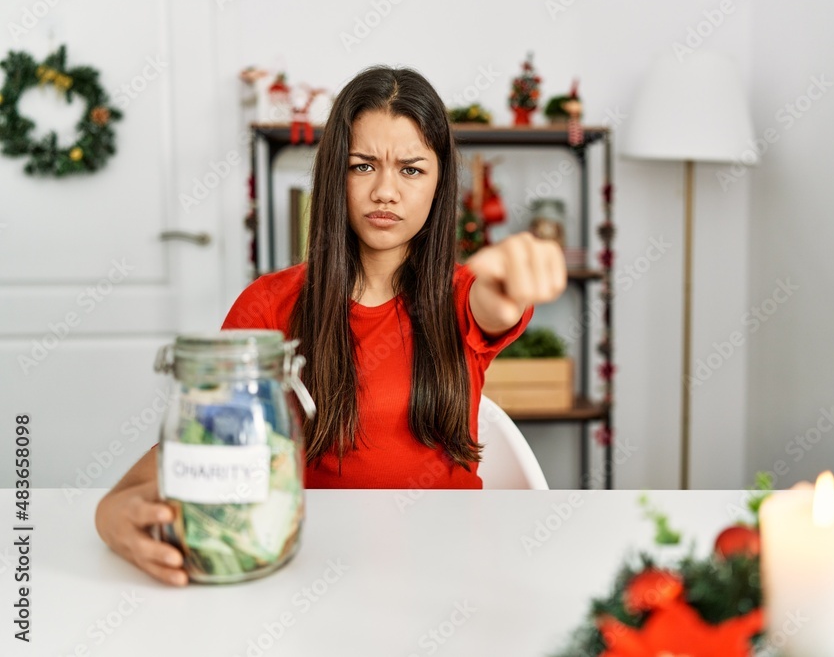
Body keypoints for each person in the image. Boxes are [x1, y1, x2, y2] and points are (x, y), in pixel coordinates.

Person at [94, 65, 567, 586]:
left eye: (411, 170)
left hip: (450, 571)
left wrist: (514, 279)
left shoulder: (461, 297)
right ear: (333, 173)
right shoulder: (268, 305)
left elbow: (497, 301)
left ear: (439, 182)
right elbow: (206, 435)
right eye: (363, 166)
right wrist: (111, 511)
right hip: (307, 571)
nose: (385, 191)